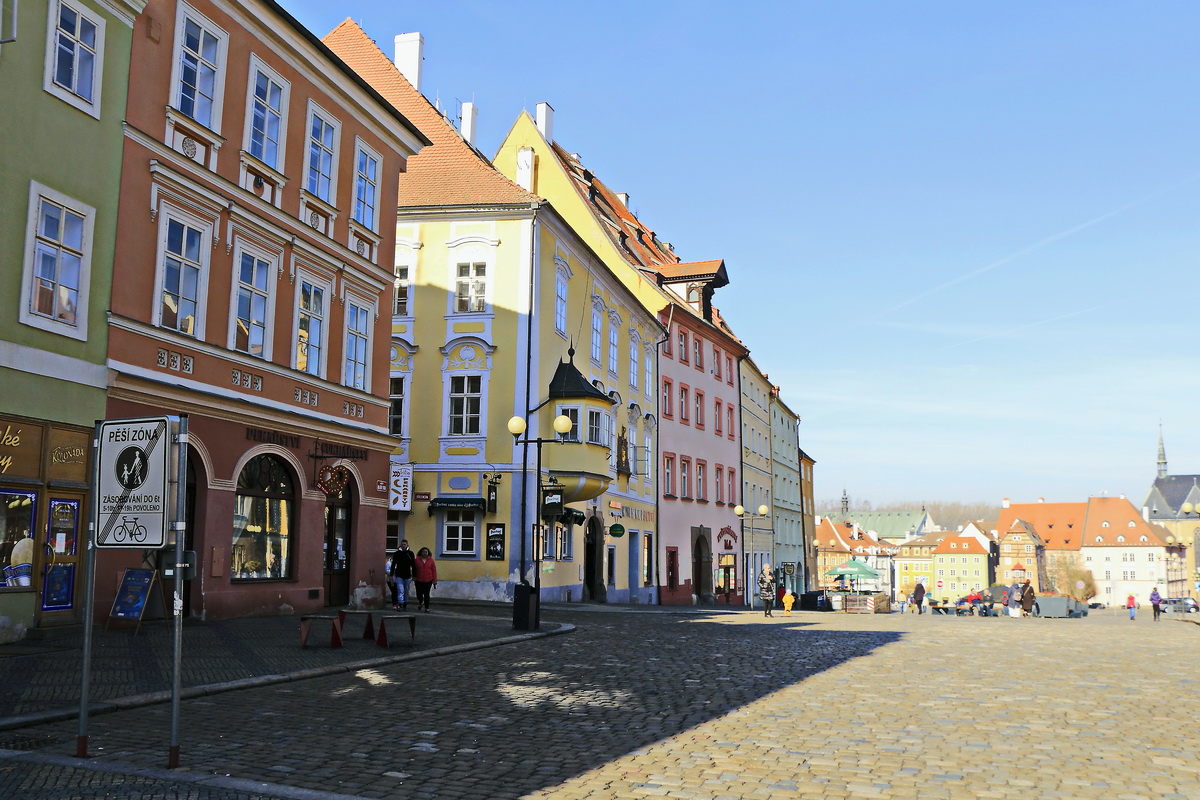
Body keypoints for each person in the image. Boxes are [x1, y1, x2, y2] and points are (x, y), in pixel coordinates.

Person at [386, 540, 417, 610]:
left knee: (406, 590)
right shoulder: (397, 553)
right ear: (400, 545)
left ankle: (405, 603)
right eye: (402, 544)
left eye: (405, 544)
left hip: (407, 575)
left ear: (407, 545)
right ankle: (400, 603)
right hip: (399, 574)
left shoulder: (410, 553)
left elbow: (413, 565)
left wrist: (414, 575)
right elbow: (393, 564)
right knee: (400, 590)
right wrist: (391, 574)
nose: (403, 545)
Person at [413, 546, 437, 613]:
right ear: (421, 552)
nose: (425, 553)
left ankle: (427, 607)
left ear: (428, 553)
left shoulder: (431, 560)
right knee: (419, 593)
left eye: (426, 552)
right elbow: (414, 569)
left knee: (427, 594)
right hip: (418, 580)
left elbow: (434, 570)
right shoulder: (417, 560)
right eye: (423, 552)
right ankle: (421, 601)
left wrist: (434, 579)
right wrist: (413, 576)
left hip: (428, 580)